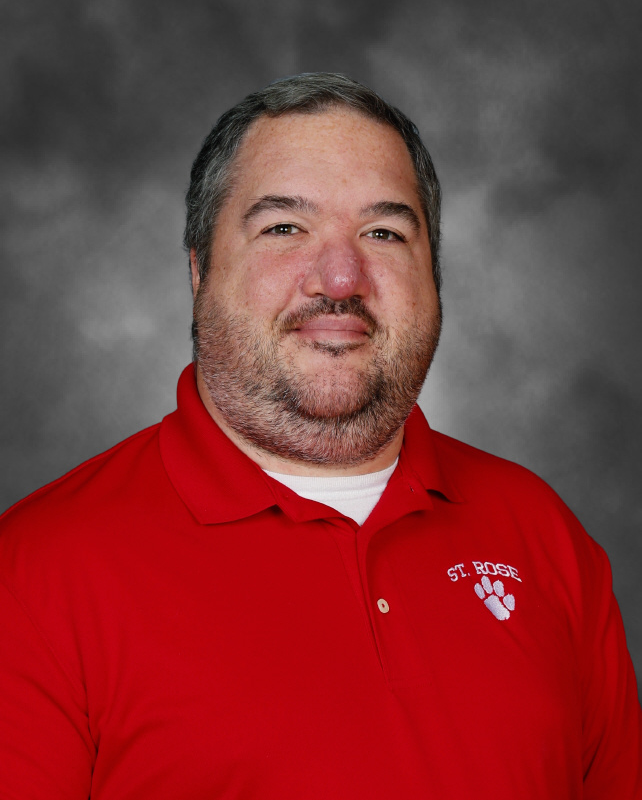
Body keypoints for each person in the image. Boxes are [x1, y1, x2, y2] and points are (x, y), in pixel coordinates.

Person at [0, 73, 640, 799]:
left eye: (383, 233)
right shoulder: (35, 576)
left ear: (434, 277)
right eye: (284, 228)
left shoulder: (543, 535)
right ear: (199, 270)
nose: (340, 278)